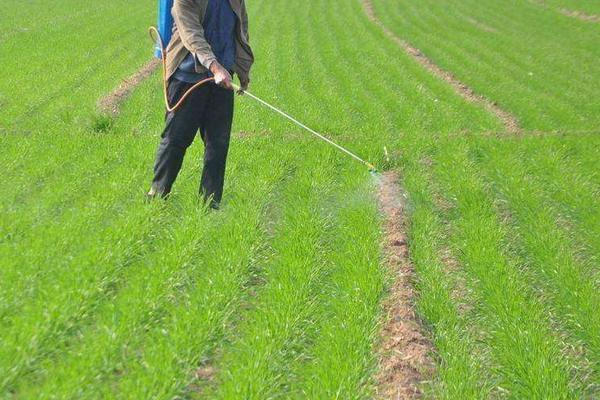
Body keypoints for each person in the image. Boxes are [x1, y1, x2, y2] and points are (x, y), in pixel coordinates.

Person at [147, 0, 254, 209]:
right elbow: (191, 34)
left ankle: (210, 203)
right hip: (187, 77)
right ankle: (157, 194)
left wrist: (242, 70)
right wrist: (214, 67)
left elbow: (240, 28)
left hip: (222, 79)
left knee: (218, 143)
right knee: (176, 139)